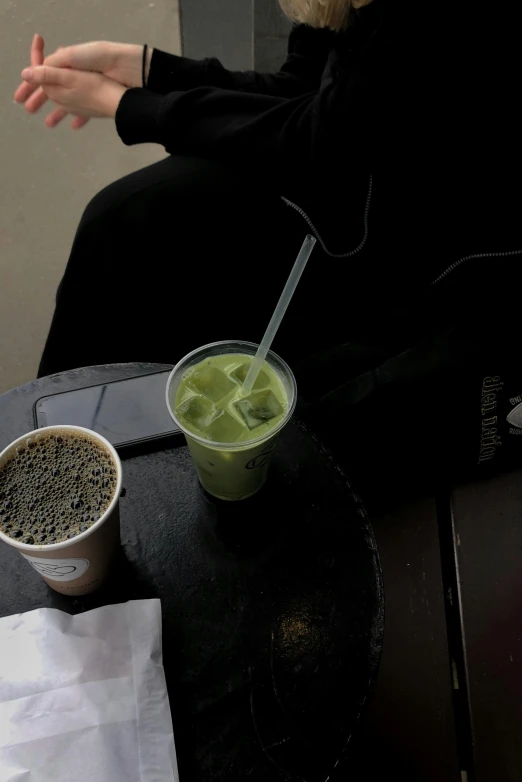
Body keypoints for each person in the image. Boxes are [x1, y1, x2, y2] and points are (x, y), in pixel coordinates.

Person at [14, 0, 522, 507]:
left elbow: (323, 137)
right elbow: (304, 88)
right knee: (124, 220)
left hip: (466, 269)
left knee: (296, 431)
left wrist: (135, 105)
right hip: (369, 185)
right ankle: (48, 481)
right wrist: (153, 71)